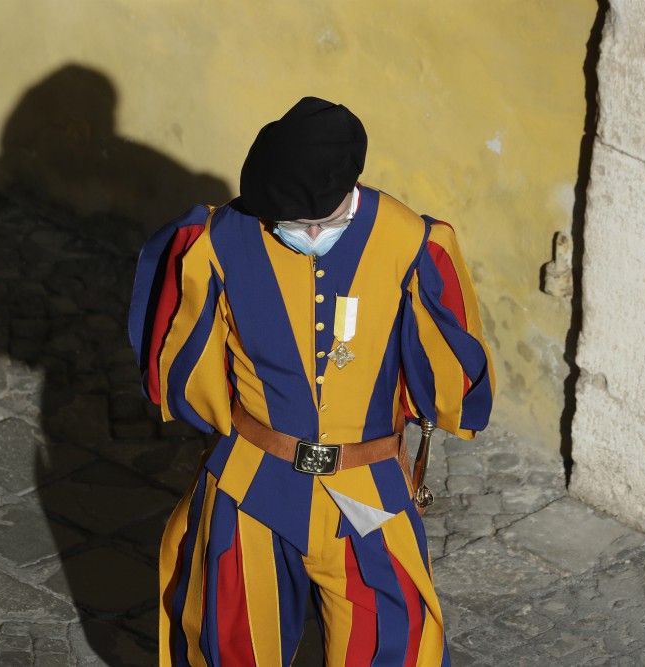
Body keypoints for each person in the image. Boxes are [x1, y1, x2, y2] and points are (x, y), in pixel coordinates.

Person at [129, 97, 493, 666]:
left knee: (395, 646)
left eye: (318, 221)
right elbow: (186, 361)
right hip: (251, 482)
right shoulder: (218, 241)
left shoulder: (409, 241)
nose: (307, 232)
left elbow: (444, 367)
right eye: (291, 224)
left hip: (368, 489)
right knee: (230, 645)